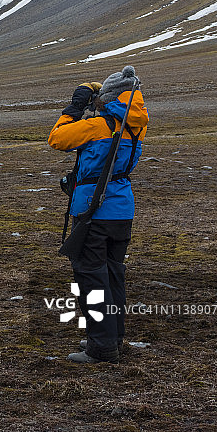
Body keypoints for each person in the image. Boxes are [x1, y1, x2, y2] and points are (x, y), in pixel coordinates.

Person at [48, 65, 149, 363]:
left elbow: (57, 138)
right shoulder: (136, 124)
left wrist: (75, 107)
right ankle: (112, 337)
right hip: (122, 210)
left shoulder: (98, 126)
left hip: (94, 210)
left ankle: (101, 348)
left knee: (91, 277)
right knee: (114, 274)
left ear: (110, 98)